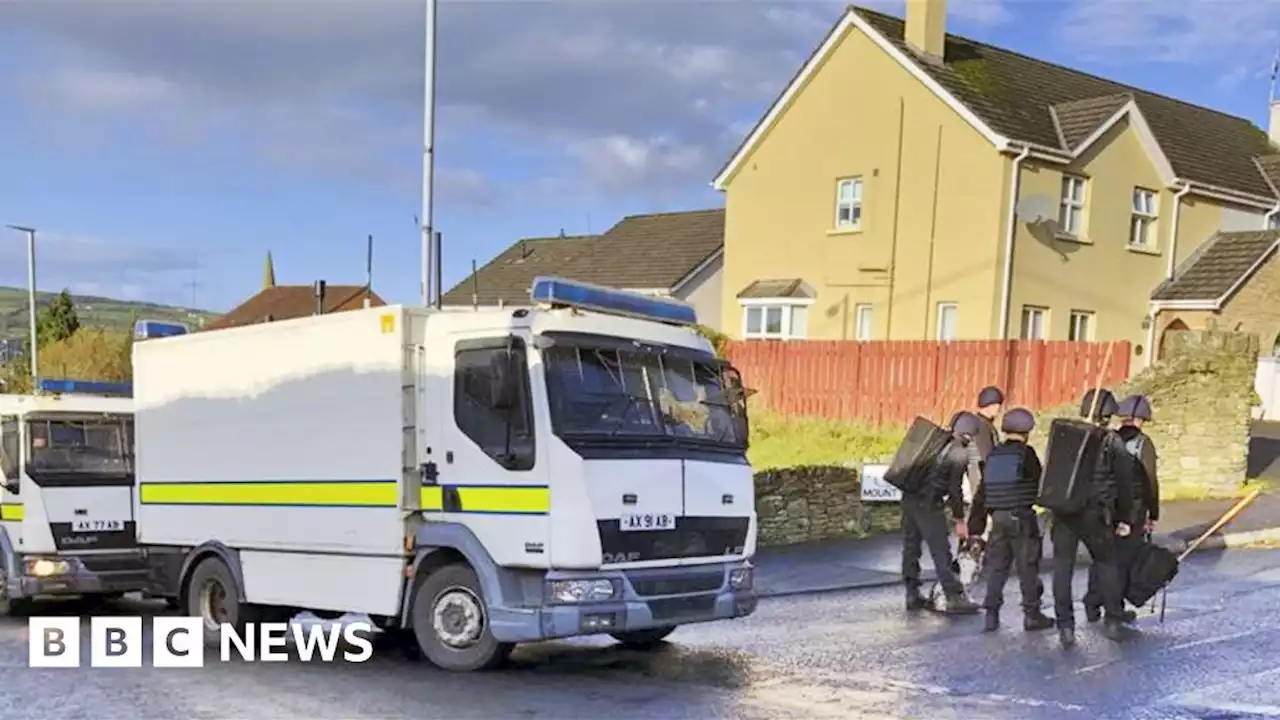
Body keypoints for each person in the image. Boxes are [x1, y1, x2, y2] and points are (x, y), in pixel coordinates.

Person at [1051, 389, 1136, 647]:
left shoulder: (1064, 434)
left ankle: (1065, 626)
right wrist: (1125, 517)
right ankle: (1112, 620)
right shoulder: (1111, 441)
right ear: (1108, 414)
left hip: (1063, 511)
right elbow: (1125, 484)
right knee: (1107, 563)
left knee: (1062, 568)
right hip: (1095, 513)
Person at [968, 408, 1055, 633]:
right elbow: (1041, 485)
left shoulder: (993, 456)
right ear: (1027, 431)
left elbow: (981, 494)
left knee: (998, 567)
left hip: (997, 519)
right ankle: (1032, 615)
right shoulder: (1027, 455)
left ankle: (991, 614)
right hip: (1021, 518)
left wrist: (975, 529)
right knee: (1027, 568)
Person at [902, 414, 981, 615]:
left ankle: (912, 593)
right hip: (929, 503)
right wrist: (960, 519)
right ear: (969, 434)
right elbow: (955, 491)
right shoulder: (959, 453)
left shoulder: (935, 441)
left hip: (909, 497)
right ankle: (952, 596)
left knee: (911, 546)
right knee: (941, 550)